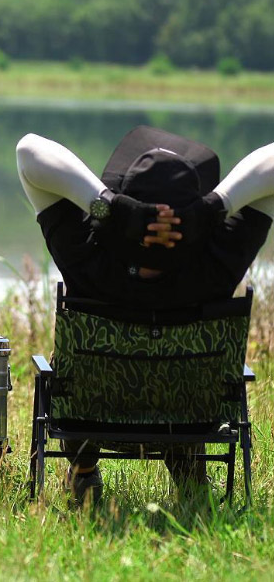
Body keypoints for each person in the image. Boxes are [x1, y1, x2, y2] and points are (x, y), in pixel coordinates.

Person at [16, 125, 274, 506]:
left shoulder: (87, 257)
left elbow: (28, 151)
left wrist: (107, 205)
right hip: (190, 420)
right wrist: (212, 208)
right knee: (179, 379)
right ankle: (190, 478)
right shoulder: (216, 264)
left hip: (88, 419)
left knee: (72, 372)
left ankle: (83, 470)